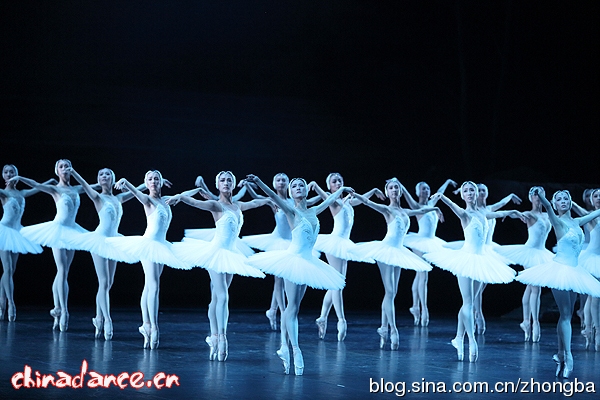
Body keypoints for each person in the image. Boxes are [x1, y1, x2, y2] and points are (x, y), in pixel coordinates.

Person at [244, 174, 348, 375]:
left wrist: (342, 190)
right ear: (291, 193)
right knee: (291, 307)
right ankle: (295, 350)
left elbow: (329, 200)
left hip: (308, 262)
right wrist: (257, 181)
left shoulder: (314, 210)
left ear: (306, 190)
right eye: (295, 186)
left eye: (301, 185)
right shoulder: (290, 209)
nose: (298, 187)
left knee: (294, 308)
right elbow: (273, 195)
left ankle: (284, 346)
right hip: (293, 260)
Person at [167, 171, 268, 362]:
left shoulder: (238, 205)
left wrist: (271, 200)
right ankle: (222, 338)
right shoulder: (216, 205)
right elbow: (195, 202)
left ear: (234, 184)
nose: (226, 182)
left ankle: (213, 336)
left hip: (231, 254)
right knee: (223, 296)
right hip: (215, 253)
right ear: (217, 185)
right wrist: (180, 197)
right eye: (222, 180)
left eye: (229, 180)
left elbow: (256, 203)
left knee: (217, 297)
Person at [423, 181, 524, 362]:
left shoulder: (483, 213)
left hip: (481, 259)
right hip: (465, 259)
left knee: (468, 304)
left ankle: (458, 338)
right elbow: (453, 206)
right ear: (462, 195)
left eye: (472, 190)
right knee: (468, 304)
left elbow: (498, 212)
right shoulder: (465, 213)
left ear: (477, 193)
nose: (469, 193)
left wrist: (512, 211)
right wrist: (442, 197)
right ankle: (471, 340)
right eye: (466, 191)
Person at [516, 188, 600, 378]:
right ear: (554, 204)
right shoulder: (556, 220)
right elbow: (546, 205)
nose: (563, 201)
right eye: (559, 199)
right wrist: (542, 196)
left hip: (575, 271)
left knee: (566, 315)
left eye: (565, 198)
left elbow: (596, 213)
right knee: (565, 315)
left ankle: (561, 353)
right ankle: (568, 356)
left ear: (570, 201)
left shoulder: (577, 222)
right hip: (559, 271)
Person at [353, 178, 440, 350]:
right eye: (391, 188)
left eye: (396, 187)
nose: (394, 190)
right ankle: (393, 329)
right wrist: (355, 194)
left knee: (391, 293)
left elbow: (421, 210)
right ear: (387, 192)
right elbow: (368, 203)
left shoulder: (405, 211)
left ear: (400, 191)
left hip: (399, 252)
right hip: (386, 251)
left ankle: (383, 327)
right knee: (390, 291)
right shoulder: (387, 209)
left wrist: (435, 208)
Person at [106, 170, 187, 349]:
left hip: (162, 246)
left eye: (156, 179)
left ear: (161, 181)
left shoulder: (166, 200)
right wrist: (126, 181)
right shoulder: (147, 200)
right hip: (148, 245)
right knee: (154, 285)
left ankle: (146, 324)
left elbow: (184, 195)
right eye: (150, 179)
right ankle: (154, 327)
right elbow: (136, 193)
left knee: (149, 286)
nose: (153, 181)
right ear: (146, 182)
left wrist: (195, 191)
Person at [67, 167, 144, 340]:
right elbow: (84, 185)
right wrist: (73, 172)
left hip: (114, 240)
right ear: (98, 179)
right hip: (100, 240)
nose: (104, 176)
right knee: (103, 281)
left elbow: (137, 191)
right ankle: (107, 320)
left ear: (112, 178)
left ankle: (98, 317)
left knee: (108, 283)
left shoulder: (119, 198)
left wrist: (147, 183)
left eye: (107, 174)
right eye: (101, 174)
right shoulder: (97, 197)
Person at [17, 159, 93, 331]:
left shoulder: (76, 189)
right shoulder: (55, 189)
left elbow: (93, 187)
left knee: (64, 272)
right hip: (57, 231)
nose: (65, 168)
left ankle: (57, 308)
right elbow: (36, 184)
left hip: (72, 231)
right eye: (61, 166)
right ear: (57, 171)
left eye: (67, 166)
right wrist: (20, 177)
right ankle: (64, 310)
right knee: (62, 269)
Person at [311, 172, 383, 341]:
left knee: (336, 283)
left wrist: (373, 190)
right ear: (330, 186)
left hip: (344, 243)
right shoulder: (332, 200)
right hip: (334, 243)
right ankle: (341, 320)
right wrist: (315, 185)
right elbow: (325, 195)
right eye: (334, 181)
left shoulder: (347, 202)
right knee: (338, 284)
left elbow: (362, 200)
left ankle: (322, 317)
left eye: (340, 181)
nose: (337, 183)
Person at [495, 186, 553, 343]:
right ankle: (535, 323)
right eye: (535, 194)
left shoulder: (548, 215)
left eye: (541, 194)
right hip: (530, 253)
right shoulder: (529, 214)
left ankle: (526, 321)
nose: (538, 197)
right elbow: (516, 214)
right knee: (536, 287)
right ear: (530, 197)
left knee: (530, 286)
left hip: (543, 252)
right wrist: (509, 213)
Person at [241, 173, 294, 332]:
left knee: (285, 279)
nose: (281, 182)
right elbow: (257, 197)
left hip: (291, 242)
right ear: (274, 183)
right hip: (277, 242)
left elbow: (310, 204)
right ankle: (282, 312)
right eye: (278, 180)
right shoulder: (272, 200)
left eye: (284, 180)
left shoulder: (294, 201)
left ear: (288, 183)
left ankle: (272, 310)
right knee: (279, 280)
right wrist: (247, 185)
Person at [402, 179, 457, 327]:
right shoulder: (416, 206)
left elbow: (440, 193)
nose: (426, 191)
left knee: (419, 275)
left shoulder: (432, 203)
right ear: (418, 192)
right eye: (423, 189)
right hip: (420, 242)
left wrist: (447, 182)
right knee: (423, 276)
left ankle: (415, 306)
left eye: (427, 188)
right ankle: (424, 309)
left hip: (432, 241)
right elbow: (406, 194)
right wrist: (398, 183)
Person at [472, 183, 522, 335]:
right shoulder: (474, 211)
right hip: (478, 250)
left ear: (487, 193)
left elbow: (501, 204)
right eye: (479, 190)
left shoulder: (490, 208)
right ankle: (477, 314)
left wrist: (511, 196)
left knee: (482, 285)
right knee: (478, 283)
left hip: (490, 249)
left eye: (484, 190)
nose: (481, 192)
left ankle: (475, 312)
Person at [0, 165, 46, 321]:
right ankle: (11, 304)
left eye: (12, 172)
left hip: (17, 232)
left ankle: (1, 303)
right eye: (6, 172)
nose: (9, 174)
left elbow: (38, 187)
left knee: (10, 271)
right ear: (3, 175)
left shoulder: (22, 193)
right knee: (7, 268)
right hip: (4, 231)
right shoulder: (3, 193)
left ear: (17, 174)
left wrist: (51, 182)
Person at [572, 188, 600, 351]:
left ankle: (589, 329)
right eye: (596, 196)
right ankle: (596, 331)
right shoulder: (591, 215)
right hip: (592, 259)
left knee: (592, 296)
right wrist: (570, 201)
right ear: (591, 199)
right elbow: (579, 210)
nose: (599, 198)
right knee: (595, 295)